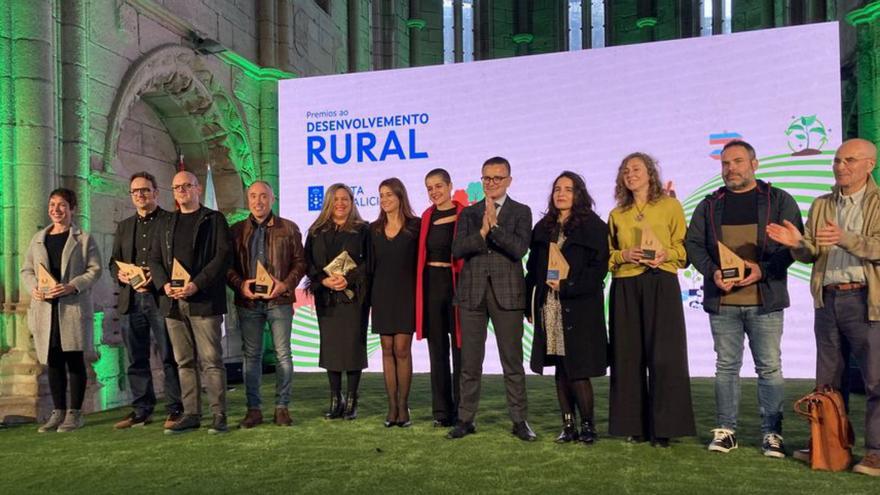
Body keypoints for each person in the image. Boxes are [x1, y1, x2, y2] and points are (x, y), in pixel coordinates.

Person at [767, 138, 880, 476]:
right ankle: (829, 447)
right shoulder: (820, 204)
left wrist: (846, 238)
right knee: (828, 382)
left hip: (866, 299)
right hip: (828, 298)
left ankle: (875, 452)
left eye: (849, 160)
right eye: (836, 160)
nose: (840, 166)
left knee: (876, 381)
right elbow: (812, 252)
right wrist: (797, 245)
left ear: (869, 165)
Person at [686, 140, 802, 458]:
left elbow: (793, 247)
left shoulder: (778, 200)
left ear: (754, 164)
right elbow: (693, 243)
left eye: (737, 161)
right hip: (723, 302)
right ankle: (726, 431)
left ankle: (772, 434)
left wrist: (762, 271)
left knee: (769, 368)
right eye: (725, 163)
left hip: (765, 300)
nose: (730, 169)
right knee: (726, 368)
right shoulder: (709, 204)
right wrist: (712, 272)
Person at [607, 152, 695, 447]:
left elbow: (683, 250)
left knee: (665, 356)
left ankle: (664, 428)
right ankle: (634, 425)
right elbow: (607, 257)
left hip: (662, 283)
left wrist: (665, 254)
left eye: (636, 169)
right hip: (625, 285)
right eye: (625, 170)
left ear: (650, 173)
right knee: (628, 356)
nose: (630, 174)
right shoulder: (617, 214)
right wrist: (624, 255)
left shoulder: (670, 205)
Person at [448, 156, 535, 441]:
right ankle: (465, 419)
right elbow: (458, 249)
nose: (491, 183)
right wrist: (482, 231)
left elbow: (519, 249)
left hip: (507, 294)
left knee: (512, 362)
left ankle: (519, 421)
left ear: (509, 180)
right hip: (472, 294)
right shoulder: (469, 214)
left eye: (497, 178)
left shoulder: (522, 211)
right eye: (486, 178)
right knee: (469, 363)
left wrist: (495, 229)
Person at [526, 171, 609, 445]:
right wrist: (529, 302)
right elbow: (532, 269)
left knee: (577, 368)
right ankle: (568, 425)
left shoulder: (594, 226)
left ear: (579, 194)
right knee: (561, 367)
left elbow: (599, 269)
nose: (561, 193)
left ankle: (588, 426)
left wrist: (569, 286)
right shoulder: (543, 227)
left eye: (568, 189)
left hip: (579, 306)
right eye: (557, 188)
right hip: (549, 305)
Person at [148, 171, 232, 435]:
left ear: (198, 189)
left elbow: (222, 257)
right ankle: (192, 413)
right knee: (184, 361)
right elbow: (154, 260)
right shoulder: (165, 223)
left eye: (187, 186)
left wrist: (197, 284)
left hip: (204, 300)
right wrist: (164, 286)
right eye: (177, 187)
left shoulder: (214, 219)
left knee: (211, 361)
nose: (182, 190)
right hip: (173, 303)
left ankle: (219, 414)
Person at [21, 188, 102, 432]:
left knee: (74, 359)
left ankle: (75, 413)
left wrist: (72, 286)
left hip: (71, 306)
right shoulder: (38, 239)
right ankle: (57, 412)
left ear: (72, 209)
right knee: (53, 360)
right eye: (52, 204)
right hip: (45, 308)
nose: (56, 209)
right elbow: (26, 270)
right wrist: (33, 287)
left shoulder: (84, 238)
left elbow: (94, 270)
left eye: (62, 205)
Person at [228, 181, 306, 428]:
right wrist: (241, 285)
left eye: (263, 196)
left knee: (283, 354)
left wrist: (284, 285)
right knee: (251, 356)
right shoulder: (236, 231)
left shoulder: (289, 228)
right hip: (248, 303)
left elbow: (301, 263)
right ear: (247, 200)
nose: (258, 201)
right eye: (253, 196)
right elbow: (227, 267)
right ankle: (254, 410)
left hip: (280, 301)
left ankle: (282, 407)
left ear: (273, 199)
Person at [109, 172, 182, 429]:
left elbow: (178, 261)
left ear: (156, 192)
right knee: (136, 358)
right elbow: (113, 262)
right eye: (135, 191)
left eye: (145, 190)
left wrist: (158, 275)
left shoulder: (170, 221)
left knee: (169, 355)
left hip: (160, 299)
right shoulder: (124, 226)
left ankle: (175, 408)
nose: (140, 195)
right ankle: (142, 409)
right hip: (132, 301)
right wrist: (119, 275)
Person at [305, 183, 370, 420]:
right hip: (327, 298)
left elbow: (368, 264)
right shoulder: (315, 231)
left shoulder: (363, 230)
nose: (340, 203)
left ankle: (352, 399)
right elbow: (308, 263)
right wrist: (324, 281)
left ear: (352, 202)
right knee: (331, 348)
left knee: (353, 346)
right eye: (336, 199)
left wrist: (348, 279)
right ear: (328, 203)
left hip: (353, 298)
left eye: (345, 199)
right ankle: (335, 398)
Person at [415, 168, 466, 428]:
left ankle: (462, 411)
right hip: (432, 285)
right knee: (437, 351)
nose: (435, 192)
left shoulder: (464, 214)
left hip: (457, 286)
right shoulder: (426, 217)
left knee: (460, 350)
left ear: (449, 186)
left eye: (439, 186)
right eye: (430, 188)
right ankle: (441, 412)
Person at [369, 178, 420, 427]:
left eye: (389, 194)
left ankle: (403, 405)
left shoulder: (415, 227)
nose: (385, 199)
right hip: (381, 295)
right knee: (387, 350)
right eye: (381, 195)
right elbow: (368, 266)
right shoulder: (373, 229)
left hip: (406, 295)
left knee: (402, 349)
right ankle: (392, 407)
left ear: (400, 196)